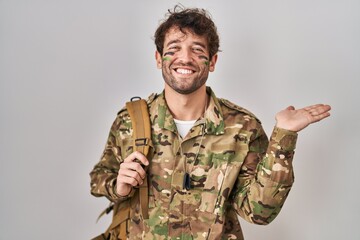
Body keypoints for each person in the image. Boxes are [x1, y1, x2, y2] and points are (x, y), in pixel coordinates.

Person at [90, 5, 331, 240]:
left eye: (197, 50)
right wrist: (118, 186)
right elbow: (99, 178)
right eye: (174, 48)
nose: (185, 58)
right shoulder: (131, 121)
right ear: (158, 58)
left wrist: (284, 136)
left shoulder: (243, 128)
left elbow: (259, 212)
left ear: (212, 61)